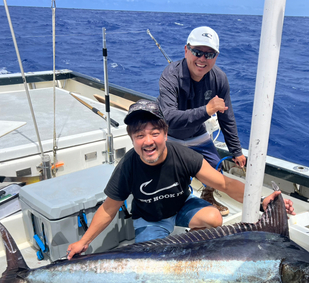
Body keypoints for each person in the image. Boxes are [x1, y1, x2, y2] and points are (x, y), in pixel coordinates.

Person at [67, 100, 293, 259]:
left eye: (155, 133)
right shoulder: (128, 166)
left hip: (183, 205)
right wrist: (83, 242)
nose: (148, 142)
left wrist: (262, 201)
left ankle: (189, 250)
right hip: (151, 218)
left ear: (165, 133)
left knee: (214, 217)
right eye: (140, 136)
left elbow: (224, 184)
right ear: (132, 139)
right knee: (147, 258)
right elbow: (108, 209)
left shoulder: (183, 155)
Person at [157, 26, 246, 217]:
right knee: (167, 177)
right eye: (197, 52)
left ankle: (207, 196)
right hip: (168, 135)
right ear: (186, 50)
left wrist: (236, 151)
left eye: (210, 54)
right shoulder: (170, 75)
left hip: (196, 134)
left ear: (216, 56)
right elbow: (169, 118)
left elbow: (226, 117)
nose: (202, 59)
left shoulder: (219, 79)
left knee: (215, 168)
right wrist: (206, 110)